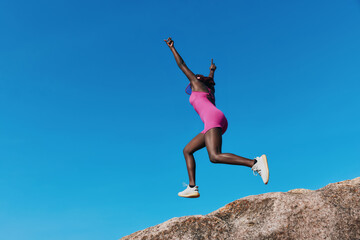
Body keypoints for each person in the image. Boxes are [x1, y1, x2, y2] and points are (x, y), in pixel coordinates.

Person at [164, 37, 269, 198]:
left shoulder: (197, 84)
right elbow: (211, 81)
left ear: (197, 80)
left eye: (192, 81)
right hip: (214, 121)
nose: (190, 86)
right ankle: (192, 187)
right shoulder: (209, 91)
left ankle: (255, 163)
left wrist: (172, 48)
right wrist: (212, 70)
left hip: (213, 119)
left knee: (215, 156)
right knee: (187, 150)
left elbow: (182, 65)